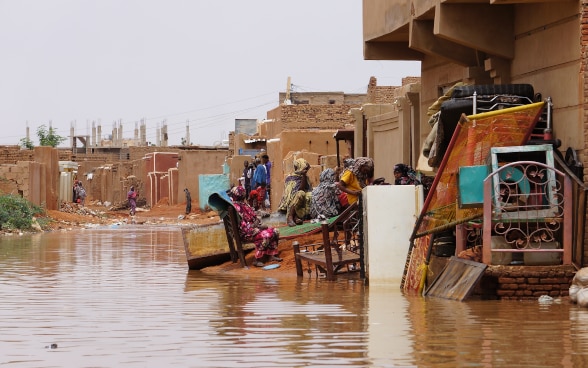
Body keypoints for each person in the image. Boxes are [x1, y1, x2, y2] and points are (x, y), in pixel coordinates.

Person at [228, 186, 281, 267]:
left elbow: (254, 218)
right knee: (266, 235)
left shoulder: (244, 204)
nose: (244, 194)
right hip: (246, 233)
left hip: (253, 229)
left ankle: (271, 255)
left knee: (275, 231)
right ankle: (257, 259)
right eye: (242, 193)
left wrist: (259, 224)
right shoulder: (236, 208)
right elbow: (244, 227)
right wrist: (258, 227)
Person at [278, 158, 313, 227]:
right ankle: (290, 217)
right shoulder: (290, 178)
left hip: (301, 201)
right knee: (300, 194)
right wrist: (303, 175)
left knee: (310, 195)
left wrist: (304, 175)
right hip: (292, 200)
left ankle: (296, 217)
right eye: (304, 167)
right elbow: (300, 189)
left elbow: (308, 189)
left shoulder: (305, 177)